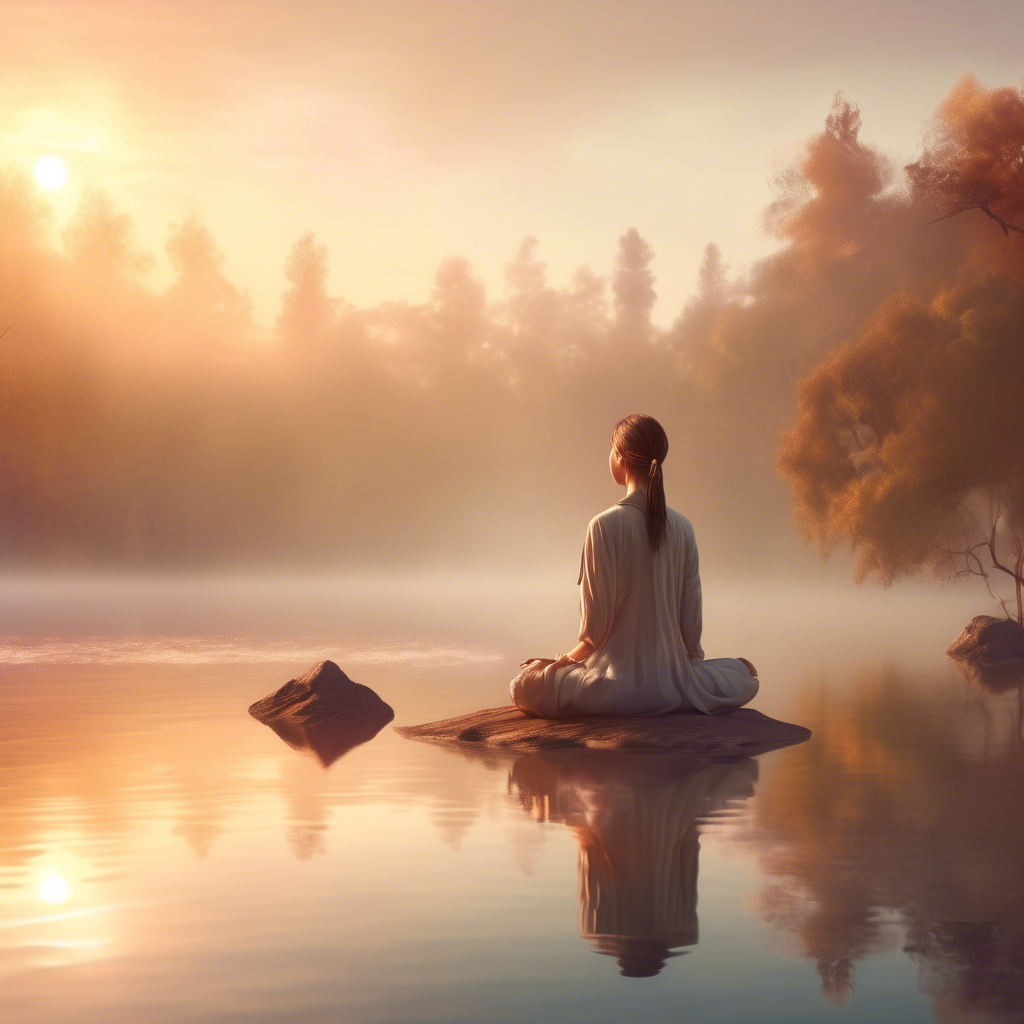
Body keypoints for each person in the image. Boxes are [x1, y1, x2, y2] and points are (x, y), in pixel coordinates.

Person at [510, 413, 759, 719]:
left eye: (610, 450)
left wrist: (557, 664)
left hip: (613, 689)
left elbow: (593, 635)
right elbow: (691, 631)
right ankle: (725, 675)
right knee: (741, 670)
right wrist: (689, 671)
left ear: (620, 456)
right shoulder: (683, 527)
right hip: (674, 686)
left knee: (522, 684)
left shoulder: (603, 525)